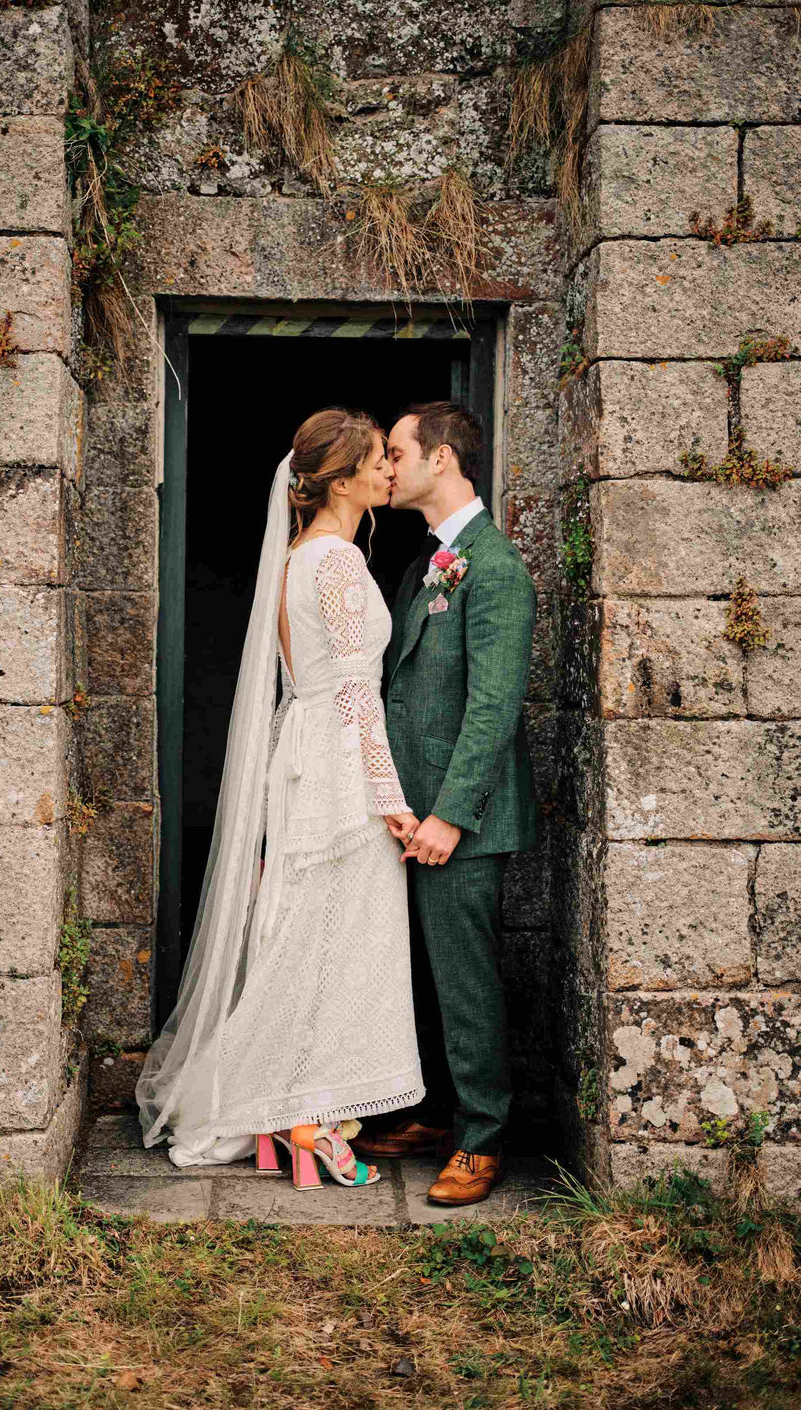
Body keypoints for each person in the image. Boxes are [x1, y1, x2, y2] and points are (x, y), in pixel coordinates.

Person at [136, 408, 424, 1189]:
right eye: (378, 461)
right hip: (338, 762)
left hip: (307, 749)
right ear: (341, 479)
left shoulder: (301, 557)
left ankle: (308, 1108)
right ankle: (308, 1112)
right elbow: (356, 693)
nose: (391, 471)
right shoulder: (332, 563)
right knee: (335, 940)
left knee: (313, 935)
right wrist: (390, 797)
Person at [353, 401, 537, 1206]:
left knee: (465, 980)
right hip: (411, 811)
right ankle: (433, 1114)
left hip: (459, 819)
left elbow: (495, 707)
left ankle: (482, 1139)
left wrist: (451, 815)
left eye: (397, 451)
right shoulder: (425, 561)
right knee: (422, 975)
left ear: (443, 460)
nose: (388, 466)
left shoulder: (493, 567)